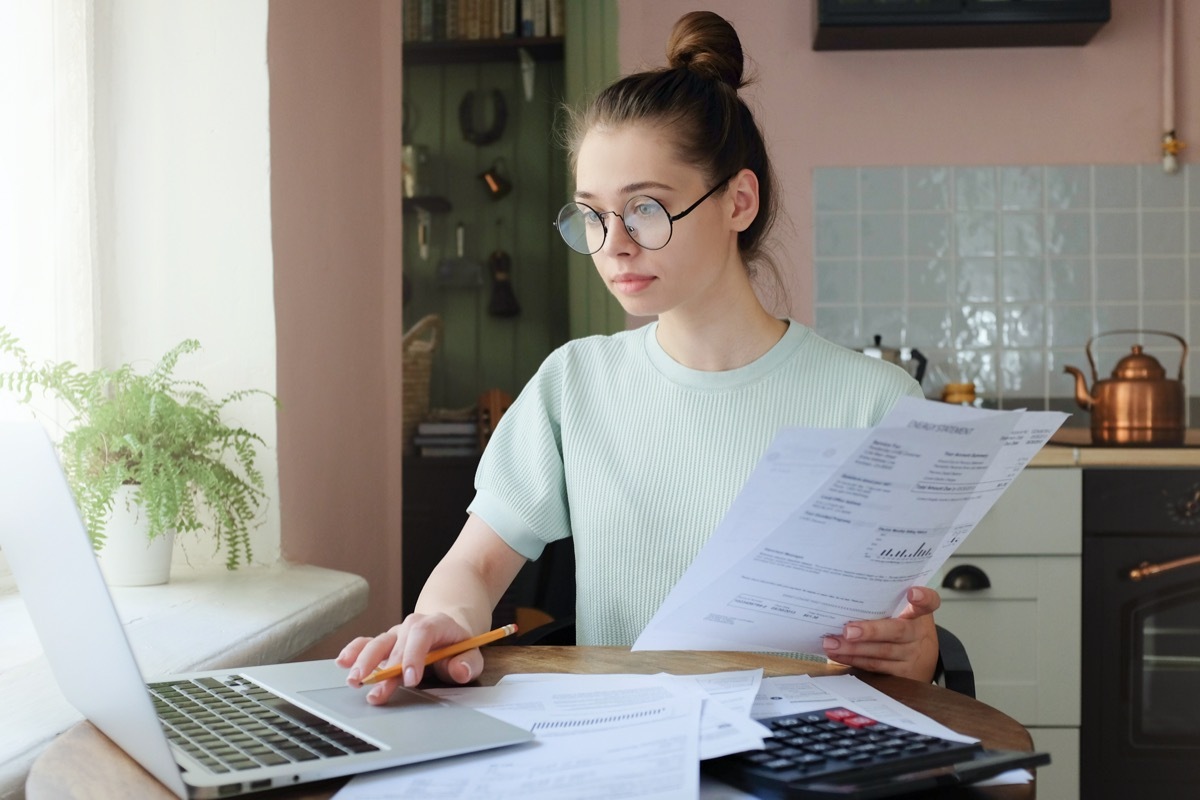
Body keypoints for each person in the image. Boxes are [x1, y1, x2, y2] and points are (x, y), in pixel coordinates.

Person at [340, 10, 940, 703]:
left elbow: (904, 642)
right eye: (591, 215)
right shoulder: (575, 385)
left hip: (809, 753)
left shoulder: (876, 403)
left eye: (646, 209)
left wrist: (914, 651)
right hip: (626, 747)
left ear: (738, 201)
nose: (613, 244)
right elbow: (473, 566)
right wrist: (442, 619)